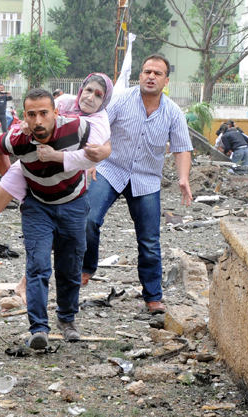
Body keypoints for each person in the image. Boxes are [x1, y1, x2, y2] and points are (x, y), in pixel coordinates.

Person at [84, 54, 193, 315]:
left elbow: (182, 148)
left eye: (157, 73)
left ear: (166, 80)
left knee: (149, 241)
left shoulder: (173, 112)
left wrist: (183, 178)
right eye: (147, 72)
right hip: (111, 168)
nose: (151, 77)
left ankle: (153, 297)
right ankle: (86, 266)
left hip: (146, 178)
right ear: (140, 76)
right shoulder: (121, 100)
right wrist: (91, 158)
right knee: (87, 218)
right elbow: (98, 128)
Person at [0, 88, 96, 350]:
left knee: (70, 266)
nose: (38, 121)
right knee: (37, 266)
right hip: (38, 206)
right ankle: (38, 328)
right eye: (32, 114)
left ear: (56, 113)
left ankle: (67, 318)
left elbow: (100, 144)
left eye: (44, 113)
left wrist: (92, 160)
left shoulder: (77, 127)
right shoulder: (18, 139)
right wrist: (11, 178)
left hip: (73, 203)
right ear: (24, 117)